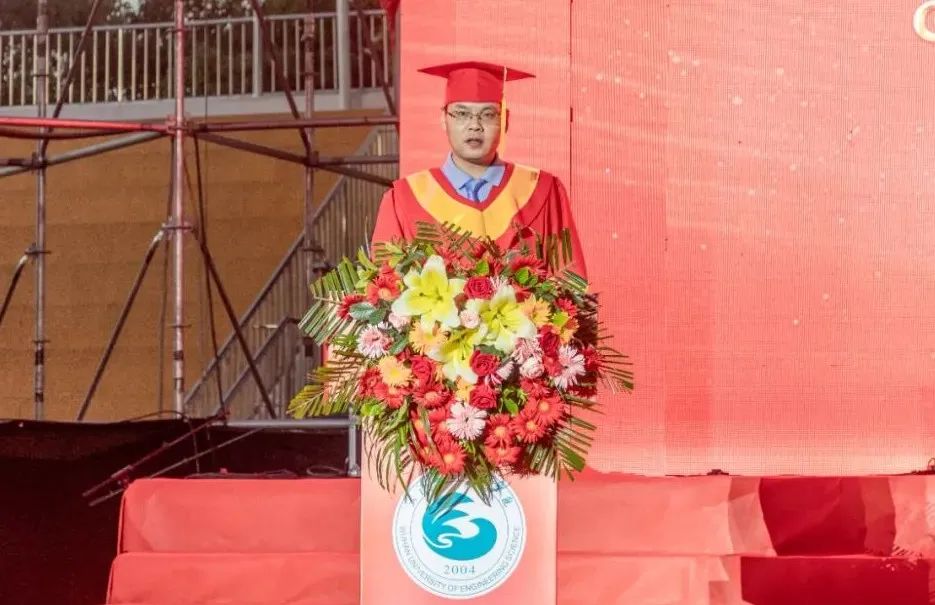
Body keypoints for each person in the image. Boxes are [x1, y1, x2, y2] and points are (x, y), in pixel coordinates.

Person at [370, 60, 587, 279]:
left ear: (505, 120)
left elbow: (571, 282)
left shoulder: (542, 191)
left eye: (488, 114)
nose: (474, 125)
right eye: (461, 114)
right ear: (444, 119)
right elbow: (382, 286)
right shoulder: (404, 199)